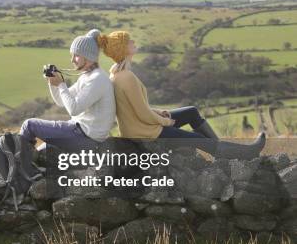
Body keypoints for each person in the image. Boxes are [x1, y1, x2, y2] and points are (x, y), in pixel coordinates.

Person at [96, 30, 266, 159]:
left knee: (191, 111)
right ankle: (243, 153)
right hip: (145, 134)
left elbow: (138, 106)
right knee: (199, 139)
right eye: (128, 41)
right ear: (122, 50)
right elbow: (142, 113)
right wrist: (165, 121)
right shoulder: (126, 77)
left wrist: (160, 112)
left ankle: (220, 151)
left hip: (141, 128)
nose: (133, 41)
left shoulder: (119, 74)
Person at [19, 29, 116, 152]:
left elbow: (74, 109)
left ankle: (18, 165)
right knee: (41, 151)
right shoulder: (87, 76)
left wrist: (61, 84)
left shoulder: (97, 79)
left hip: (85, 137)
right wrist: (52, 83)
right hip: (80, 132)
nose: (72, 60)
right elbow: (61, 101)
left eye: (76, 55)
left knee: (29, 125)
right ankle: (25, 163)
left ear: (88, 56)